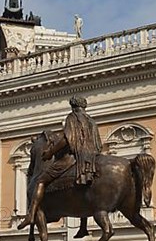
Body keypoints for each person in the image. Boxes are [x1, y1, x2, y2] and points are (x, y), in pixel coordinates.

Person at [18, 95, 102, 230]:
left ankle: (31, 214)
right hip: (91, 157)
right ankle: (83, 226)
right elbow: (98, 143)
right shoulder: (91, 121)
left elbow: (66, 139)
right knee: (83, 188)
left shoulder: (72, 118)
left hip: (73, 158)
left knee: (40, 180)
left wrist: (50, 153)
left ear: (73, 106)